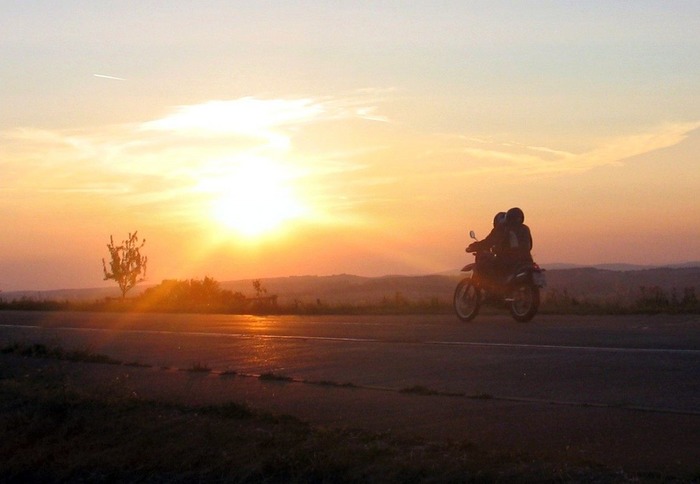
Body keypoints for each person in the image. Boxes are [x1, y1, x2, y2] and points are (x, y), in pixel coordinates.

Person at [466, 211, 507, 280]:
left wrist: (475, 245)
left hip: (504, 260)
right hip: (522, 260)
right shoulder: (520, 229)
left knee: (482, 266)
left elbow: (488, 242)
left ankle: (490, 286)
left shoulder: (499, 230)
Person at [500, 207, 533, 273]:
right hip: (528, 260)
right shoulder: (525, 228)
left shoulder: (509, 229)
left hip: (513, 261)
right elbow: (530, 245)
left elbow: (501, 244)